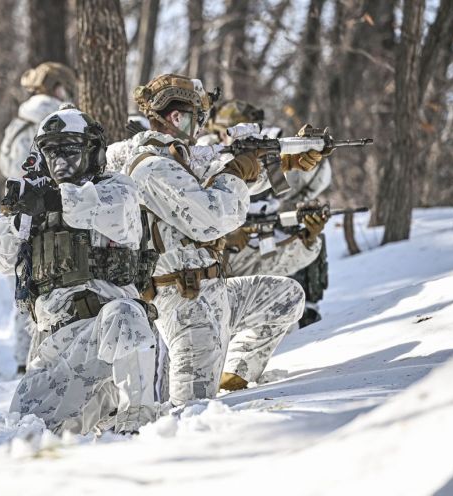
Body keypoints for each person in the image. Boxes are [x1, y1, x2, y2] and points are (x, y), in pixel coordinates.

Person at [118, 74, 318, 402]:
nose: (202, 127)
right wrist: (237, 171)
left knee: (286, 296)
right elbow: (211, 218)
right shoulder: (152, 167)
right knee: (190, 413)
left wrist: (282, 161)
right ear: (176, 118)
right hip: (185, 303)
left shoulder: (179, 159)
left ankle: (234, 375)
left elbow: (221, 182)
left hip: (213, 292)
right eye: (198, 118)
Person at [0, 107, 158, 435]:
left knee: (125, 313)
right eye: (51, 152)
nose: (59, 161)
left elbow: (92, 207)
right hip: (54, 351)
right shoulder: (38, 203)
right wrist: (21, 219)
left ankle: (137, 419)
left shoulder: (116, 190)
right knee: (24, 435)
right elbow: (1, 255)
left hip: (104, 341)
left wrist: (47, 200)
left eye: (69, 150)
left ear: (91, 151)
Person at [208, 100, 333, 327]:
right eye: (235, 133)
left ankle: (309, 308)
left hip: (252, 242)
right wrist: (224, 237)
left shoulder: (256, 159)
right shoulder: (202, 161)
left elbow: (268, 265)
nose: (242, 140)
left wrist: (307, 238)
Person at [0, 62, 78, 373]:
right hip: (48, 210)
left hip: (18, 210)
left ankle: (23, 359)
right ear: (58, 88)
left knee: (22, 286)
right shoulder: (57, 119)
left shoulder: (18, 120)